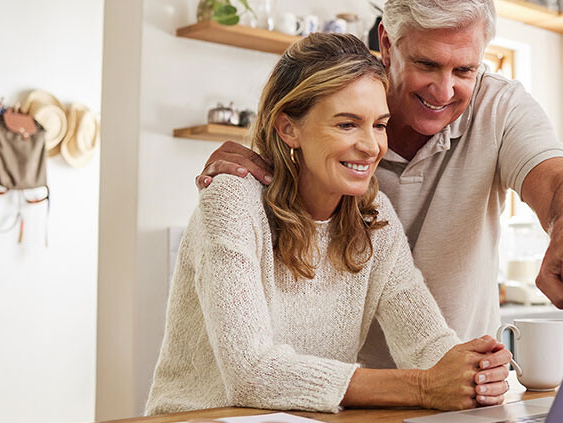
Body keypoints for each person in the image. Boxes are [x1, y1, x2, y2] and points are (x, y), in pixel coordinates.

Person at [196, 0, 563, 369]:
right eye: (427, 64)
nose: (444, 90)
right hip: (332, 396)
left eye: (465, 69)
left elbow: (559, 181)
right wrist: (258, 168)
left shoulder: (499, 108)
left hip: (445, 387)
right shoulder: (331, 112)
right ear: (387, 43)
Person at [145, 33, 511, 415]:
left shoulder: (374, 217)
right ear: (289, 128)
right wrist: (423, 386)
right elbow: (252, 372)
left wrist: (474, 369)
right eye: (347, 124)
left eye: (379, 125)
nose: (371, 146)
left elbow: (427, 345)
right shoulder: (233, 200)